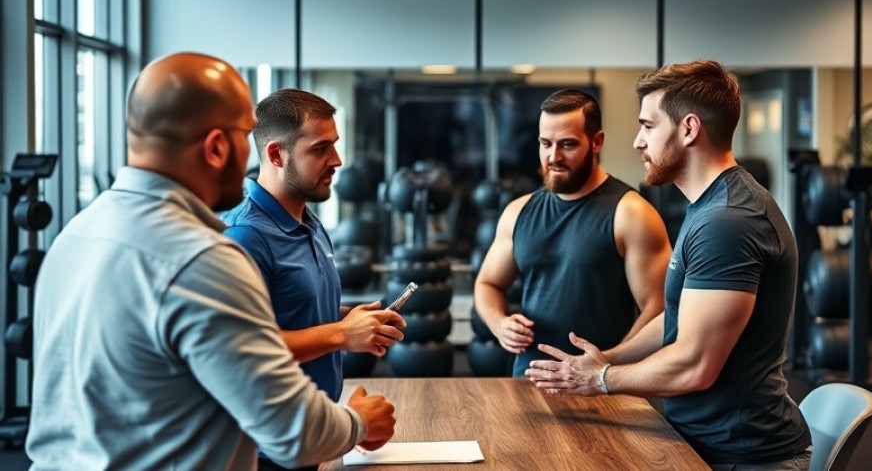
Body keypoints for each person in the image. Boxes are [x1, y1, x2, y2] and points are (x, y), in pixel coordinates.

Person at [25, 52, 396, 470]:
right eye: (244, 135)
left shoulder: (75, 234)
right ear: (218, 147)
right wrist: (359, 422)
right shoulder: (202, 257)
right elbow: (294, 433)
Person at [525, 60, 812, 470]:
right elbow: (677, 315)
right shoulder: (709, 207)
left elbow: (694, 365)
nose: (639, 141)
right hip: (704, 441)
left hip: (742, 455)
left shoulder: (728, 221)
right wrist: (610, 358)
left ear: (689, 129)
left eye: (648, 125)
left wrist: (600, 380)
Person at [221, 88, 405, 469]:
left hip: (311, 434)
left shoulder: (308, 221)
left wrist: (349, 318)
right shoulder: (245, 236)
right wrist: (342, 335)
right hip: (265, 451)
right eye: (320, 149)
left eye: (335, 146)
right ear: (276, 154)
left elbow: (285, 309)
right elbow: (240, 349)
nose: (337, 160)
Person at [474, 88, 671, 377]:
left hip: (599, 392)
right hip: (527, 382)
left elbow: (659, 310)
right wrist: (499, 323)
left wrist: (606, 366)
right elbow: (488, 283)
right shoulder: (518, 212)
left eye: (567, 144)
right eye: (545, 144)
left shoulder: (631, 213)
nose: (553, 156)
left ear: (596, 142)